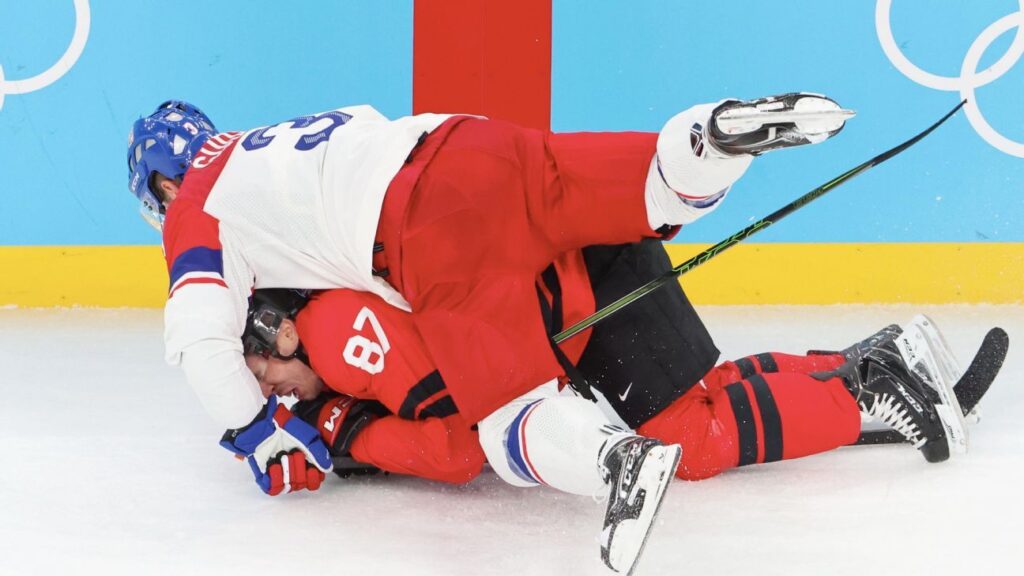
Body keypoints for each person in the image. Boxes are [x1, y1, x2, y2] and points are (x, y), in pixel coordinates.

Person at [127, 94, 856, 573]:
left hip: (428, 228)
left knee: (511, 420)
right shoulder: (273, 141)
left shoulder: (197, 207)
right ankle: (711, 138)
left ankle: (615, 461)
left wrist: (261, 434)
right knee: (647, 187)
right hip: (467, 140)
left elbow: (200, 342)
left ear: (164, 184)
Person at [241, 238, 968, 491]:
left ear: (280, 333)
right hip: (588, 269)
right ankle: (862, 361)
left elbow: (464, 447)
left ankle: (868, 389)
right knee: (701, 395)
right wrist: (340, 429)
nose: (269, 391)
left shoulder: (335, 330)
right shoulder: (329, 325)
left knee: (690, 439)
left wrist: (351, 432)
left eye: (259, 369)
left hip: (588, 297)